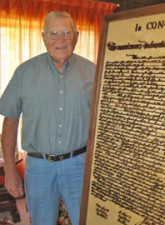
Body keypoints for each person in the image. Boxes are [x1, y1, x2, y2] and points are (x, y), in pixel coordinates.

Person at [0, 11, 96, 225]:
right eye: (53, 33)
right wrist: (10, 169)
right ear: (43, 37)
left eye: (66, 33)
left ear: (77, 36)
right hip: (39, 166)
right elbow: (10, 121)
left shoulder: (92, 72)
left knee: (88, 219)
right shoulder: (24, 73)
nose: (60, 40)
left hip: (80, 164)